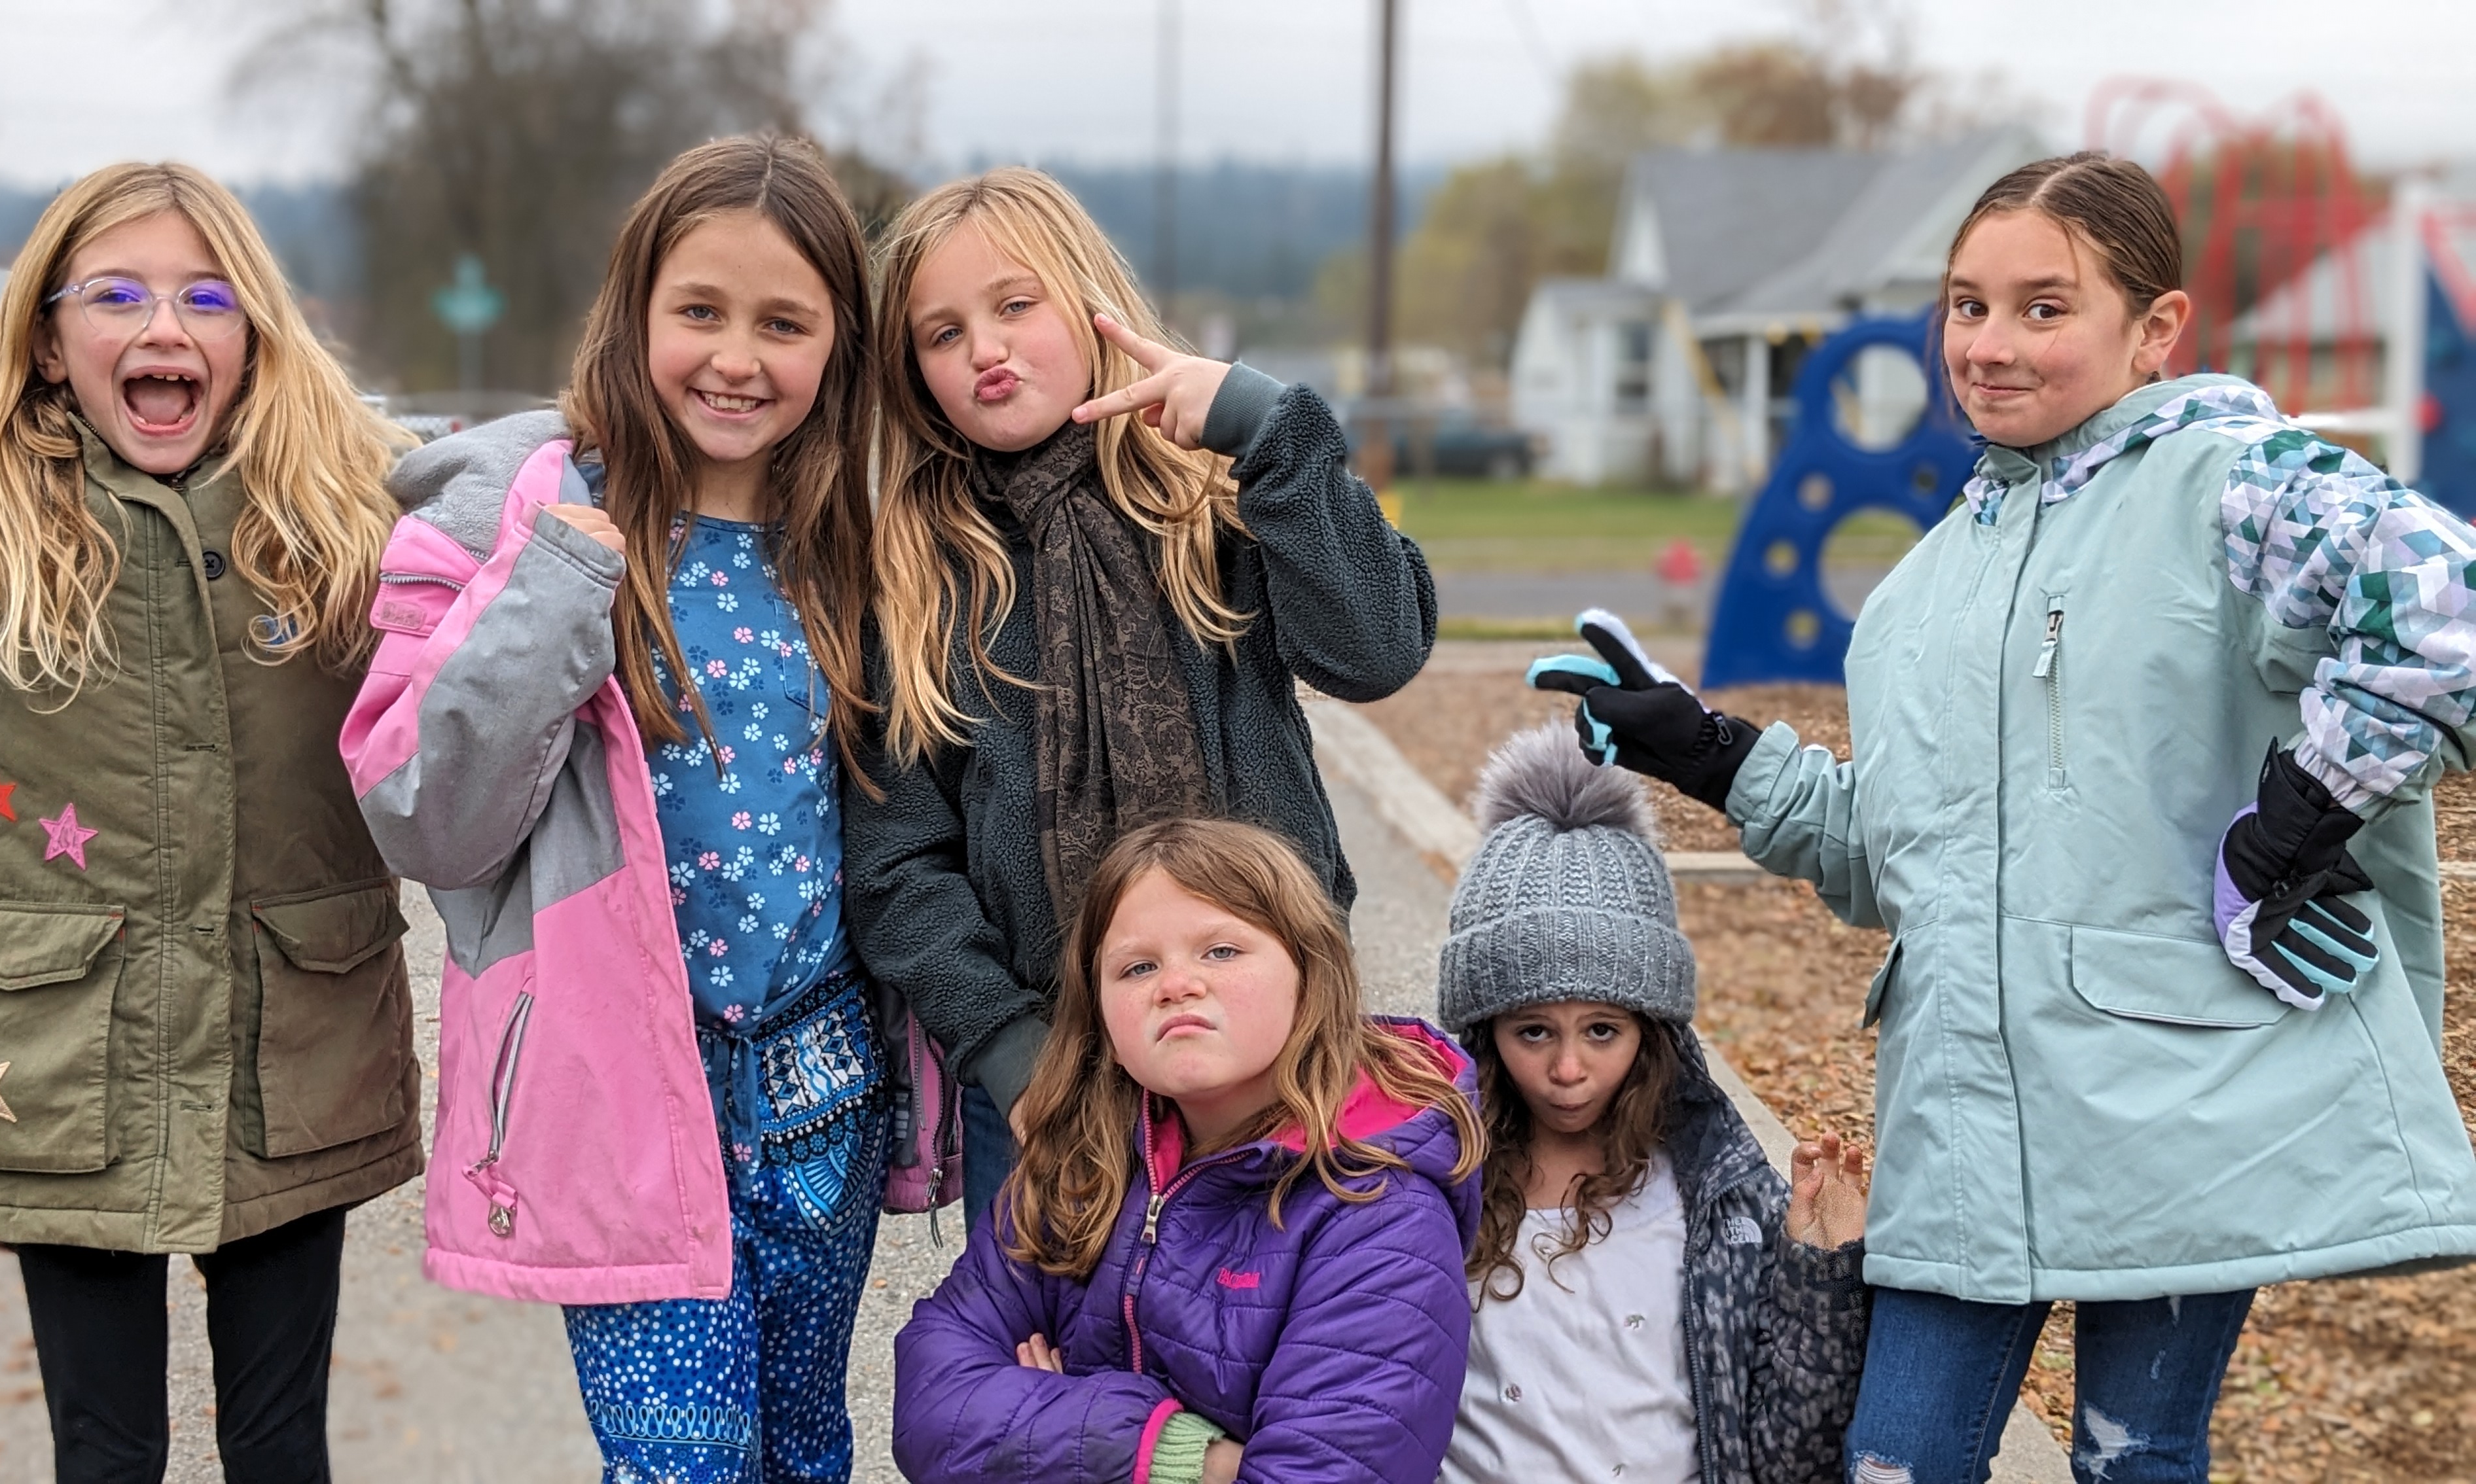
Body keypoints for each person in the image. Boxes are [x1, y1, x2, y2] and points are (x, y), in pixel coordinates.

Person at [1531, 152, 2476, 1482]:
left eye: (2045, 307)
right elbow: (1890, 858)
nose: (1989, 343)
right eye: (1967, 305)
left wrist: (2305, 815)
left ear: (2155, 329)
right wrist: (1705, 746)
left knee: (2132, 1461)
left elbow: (2446, 609)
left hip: (2182, 1097)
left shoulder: (2235, 488)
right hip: (1966, 1112)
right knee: (1894, 1460)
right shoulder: (1927, 587)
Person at [0, 162, 417, 1481]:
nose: (166, 329)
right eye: (118, 296)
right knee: (104, 1454)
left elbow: (542, 536)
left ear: (253, 333)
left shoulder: (341, 514)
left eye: (206, 297)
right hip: (57, 1065)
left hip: (293, 1052)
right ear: (49, 339)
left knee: (283, 1448)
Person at [340, 136, 884, 1483]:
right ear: (635, 308)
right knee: (680, 1466)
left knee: (803, 1450)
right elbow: (424, 818)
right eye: (700, 310)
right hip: (619, 1089)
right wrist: (553, 594)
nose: (736, 358)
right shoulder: (516, 520)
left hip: (823, 1089)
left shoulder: (869, 542)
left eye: (784, 323)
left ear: (839, 347)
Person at [842, 167, 1437, 1216]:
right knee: (1057, 1373)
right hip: (1052, 1078)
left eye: (1015, 305)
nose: (986, 348)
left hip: (1279, 1051)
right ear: (913, 373)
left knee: (1278, 1357)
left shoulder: (1210, 506)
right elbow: (898, 861)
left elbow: (1377, 647)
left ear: (1089, 304)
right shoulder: (918, 579)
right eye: (942, 334)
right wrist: (1006, 1052)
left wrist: (1266, 430)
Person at [891, 817, 1484, 1484]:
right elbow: (930, 1409)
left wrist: (1042, 1427)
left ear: (1310, 973)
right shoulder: (1083, 1160)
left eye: (1221, 952)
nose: (1176, 984)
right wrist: (1182, 1456)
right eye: (1138, 966)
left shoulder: (1377, 1214)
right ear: (1101, 1012)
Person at [1432, 722, 1869, 1484]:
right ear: (1483, 1031)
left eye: (1603, 1030)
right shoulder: (1428, 1190)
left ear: (1653, 1030)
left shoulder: (1718, 1203)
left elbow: (1790, 1456)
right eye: (1533, 1031)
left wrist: (1818, 1276)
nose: (1568, 1068)